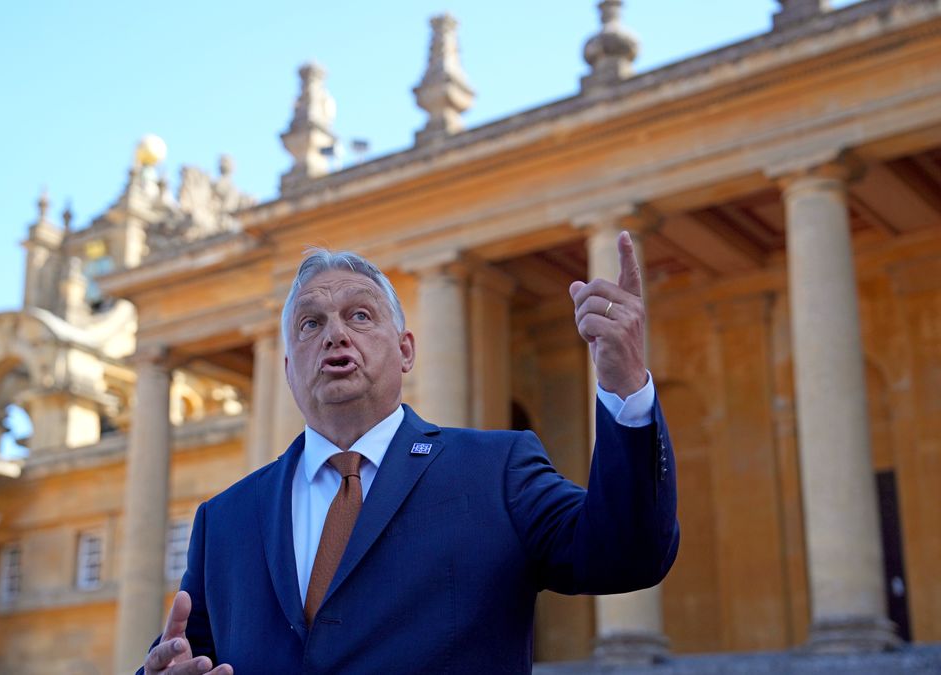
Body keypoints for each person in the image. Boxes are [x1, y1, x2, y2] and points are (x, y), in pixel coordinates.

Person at [140, 232, 678, 674]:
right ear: (287, 369)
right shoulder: (225, 519)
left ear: (405, 351)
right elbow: (183, 653)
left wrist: (626, 387)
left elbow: (627, 552)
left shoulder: (496, 470)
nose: (334, 336)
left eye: (360, 316)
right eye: (311, 324)